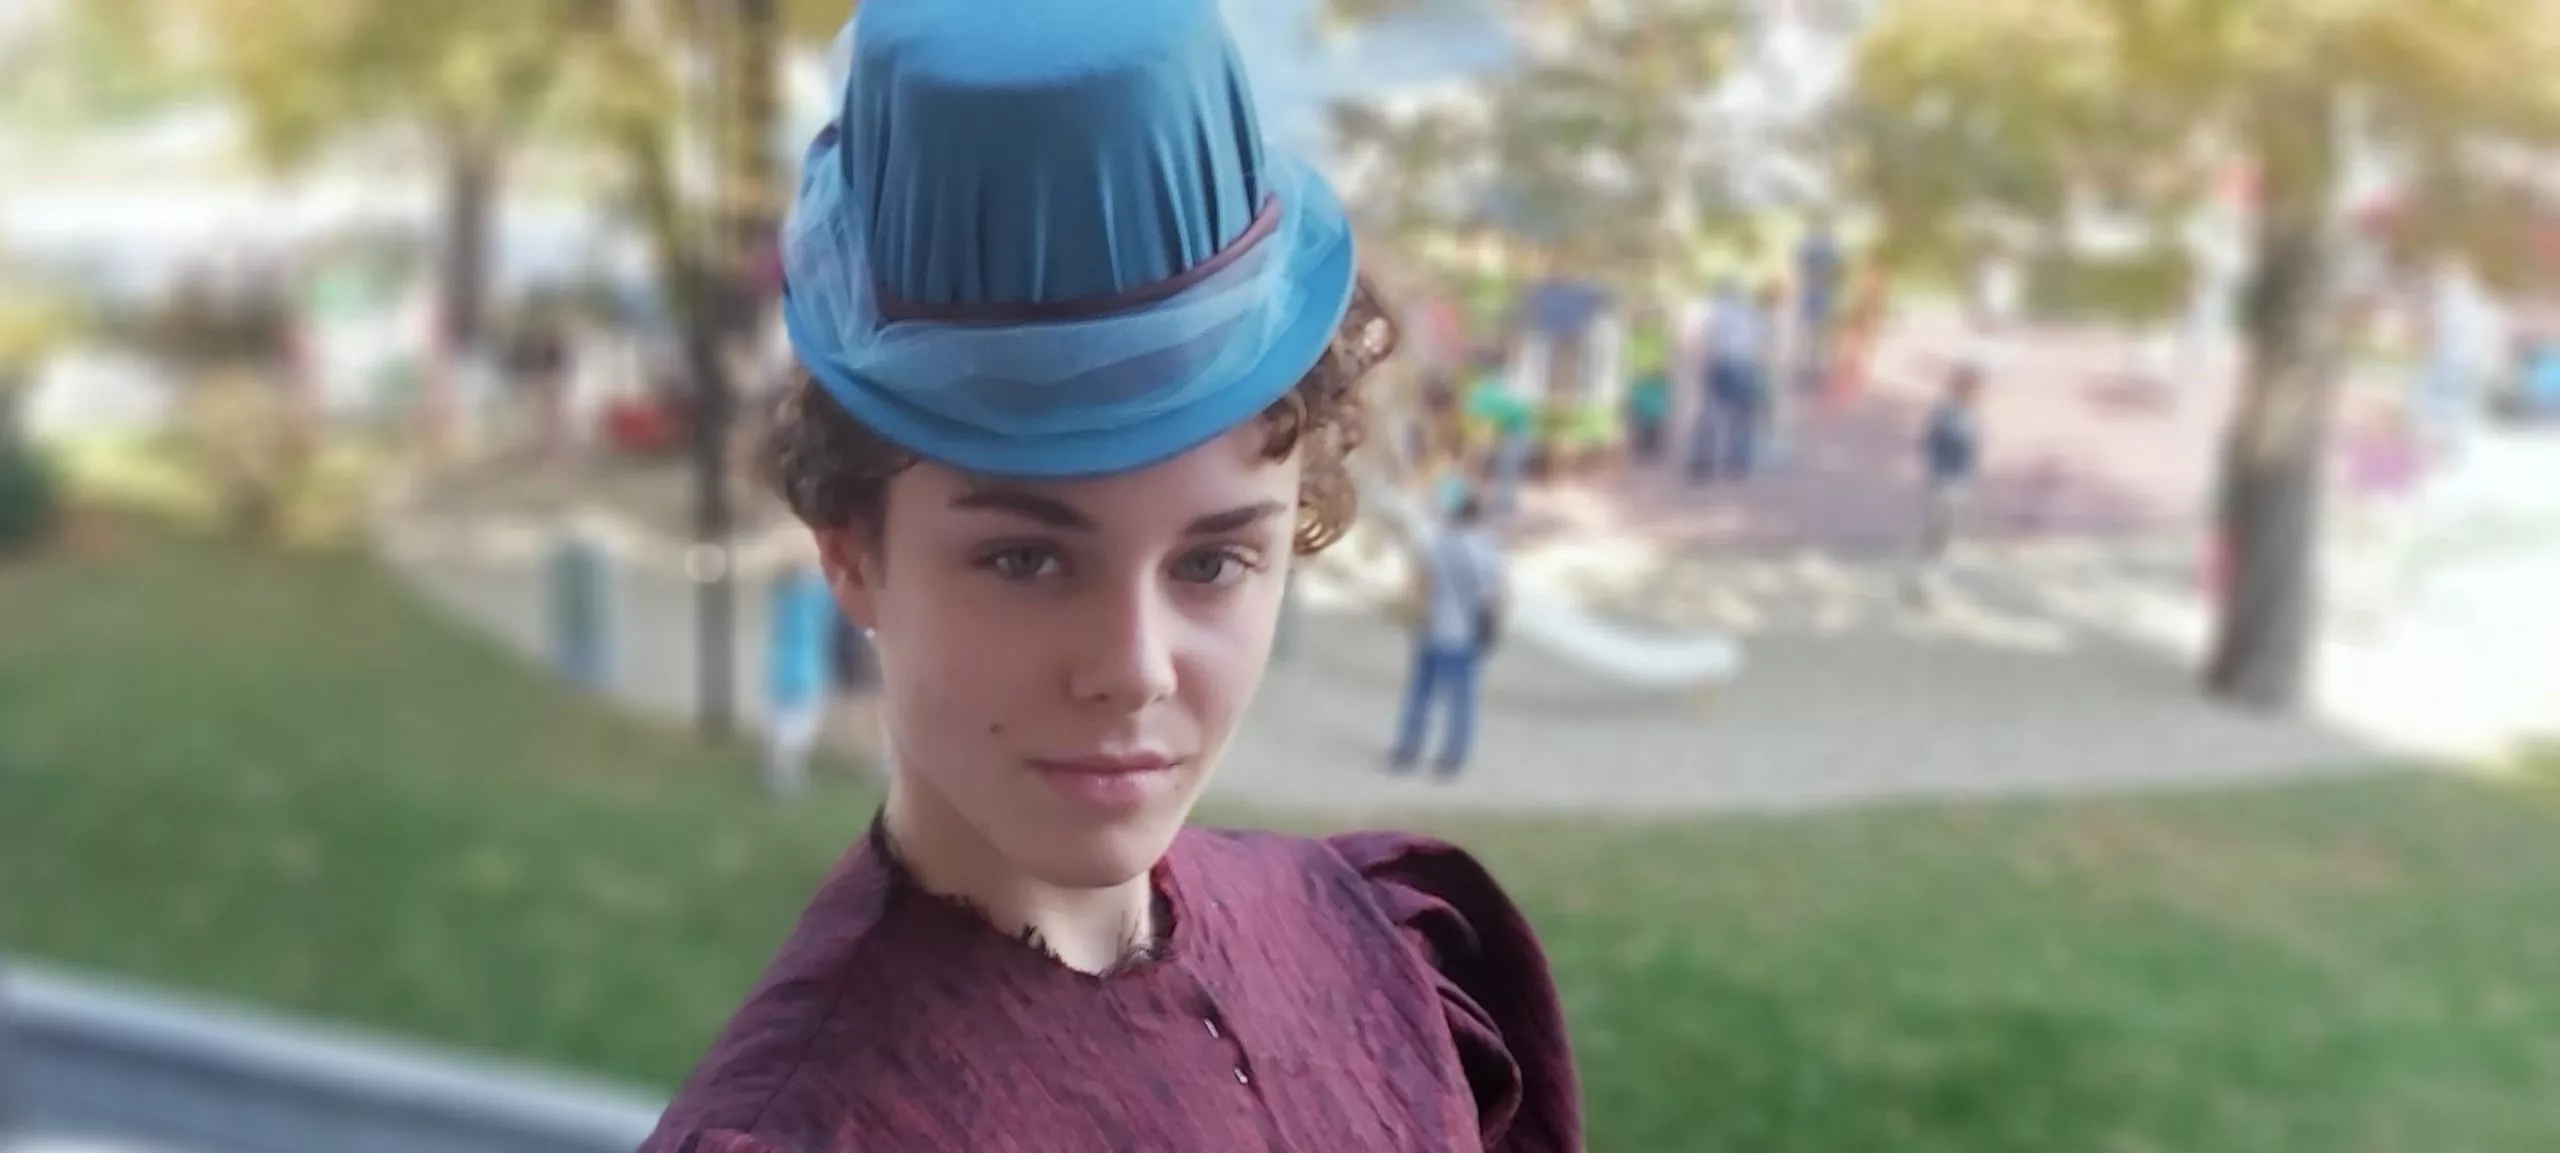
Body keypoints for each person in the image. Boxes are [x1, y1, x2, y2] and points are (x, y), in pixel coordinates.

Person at [641, 2, 1582, 1150]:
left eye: (1212, 560)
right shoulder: (816, 1127)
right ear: (848, 550)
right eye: (1026, 559)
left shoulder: (1367, 953)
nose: (1133, 670)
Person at [1389, 490, 1508, 777]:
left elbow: (1421, 585)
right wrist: (1494, 628)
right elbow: (1498, 595)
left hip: (1434, 629)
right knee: (1462, 700)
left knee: (1421, 694)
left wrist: (1415, 615)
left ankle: (1408, 749)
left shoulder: (1437, 544)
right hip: (1466, 635)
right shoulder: (1488, 551)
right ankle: (1452, 757)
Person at [1908, 364, 1986, 605]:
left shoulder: (1971, 415)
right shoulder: (1947, 414)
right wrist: (1937, 472)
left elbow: (1973, 450)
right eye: (1970, 388)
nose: (1974, 393)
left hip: (1958, 483)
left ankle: (1934, 584)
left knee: (1946, 537)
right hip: (1944, 482)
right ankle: (1926, 584)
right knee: (1936, 535)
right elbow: (1932, 444)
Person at [762, 557, 840, 798]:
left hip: (781, 669)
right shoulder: (810, 598)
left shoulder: (783, 600)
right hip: (804, 672)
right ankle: (785, 778)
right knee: (798, 727)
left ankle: (781, 775)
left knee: (783, 724)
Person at [1689, 277, 1770, 483]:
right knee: (1742, 418)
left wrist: (1702, 366)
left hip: (1719, 363)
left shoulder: (1715, 312)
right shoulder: (1750, 313)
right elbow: (1759, 343)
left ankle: (1702, 462)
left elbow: (1705, 341)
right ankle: (1738, 463)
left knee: (1711, 414)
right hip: (1743, 366)